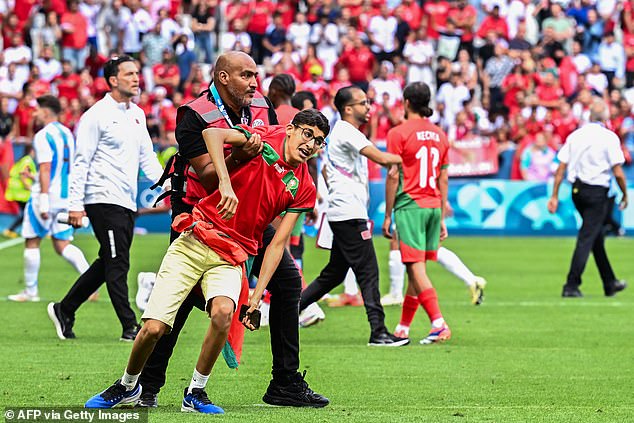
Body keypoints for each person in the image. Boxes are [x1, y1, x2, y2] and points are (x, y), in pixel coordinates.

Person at [84, 110, 329, 414]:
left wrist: (256, 297)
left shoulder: (303, 186)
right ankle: (128, 385)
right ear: (291, 129)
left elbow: (277, 244)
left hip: (232, 255)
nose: (311, 144)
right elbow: (211, 134)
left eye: (318, 142)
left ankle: (195, 392)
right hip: (196, 239)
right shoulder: (262, 137)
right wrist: (224, 184)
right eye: (307, 134)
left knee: (224, 312)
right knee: (153, 329)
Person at [135, 51, 328, 409]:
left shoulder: (261, 106)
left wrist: (267, 214)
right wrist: (240, 156)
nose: (255, 83)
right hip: (198, 210)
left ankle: (284, 382)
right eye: (246, 75)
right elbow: (208, 175)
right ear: (223, 77)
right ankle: (147, 385)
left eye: (255, 75)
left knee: (287, 281)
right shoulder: (193, 112)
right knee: (180, 300)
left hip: (245, 216)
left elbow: (271, 166)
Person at [47, 56, 164, 341]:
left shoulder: (137, 114)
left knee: (109, 260)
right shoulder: (95, 115)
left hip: (126, 200)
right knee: (118, 262)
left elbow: (147, 158)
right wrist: (75, 204)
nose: (137, 78)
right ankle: (129, 326)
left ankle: (65, 309)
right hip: (101, 197)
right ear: (113, 80)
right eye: (129, 74)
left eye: (137, 72)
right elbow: (81, 161)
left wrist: (168, 185)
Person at [299, 86, 408, 347]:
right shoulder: (346, 131)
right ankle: (378, 332)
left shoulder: (343, 132)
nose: (368, 107)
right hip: (349, 212)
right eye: (363, 103)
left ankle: (288, 310)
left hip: (344, 210)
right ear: (348, 109)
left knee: (334, 274)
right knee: (368, 271)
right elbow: (381, 158)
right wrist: (410, 157)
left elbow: (326, 171)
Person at [382, 82, 452, 345]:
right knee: (417, 268)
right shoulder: (440, 135)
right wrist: (443, 214)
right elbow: (443, 178)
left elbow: (393, 174)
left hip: (410, 204)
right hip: (434, 204)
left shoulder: (398, 133)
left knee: (414, 266)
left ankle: (438, 323)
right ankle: (403, 327)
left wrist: (388, 215)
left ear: (407, 103)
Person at [7, 96, 90, 302]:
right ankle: (90, 283)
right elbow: (62, 168)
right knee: (62, 244)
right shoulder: (68, 134)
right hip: (65, 196)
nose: (34, 114)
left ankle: (30, 292)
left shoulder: (43, 135)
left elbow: (45, 168)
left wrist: (43, 198)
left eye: (36, 110)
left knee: (32, 241)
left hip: (44, 196)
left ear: (45, 112)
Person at [548, 99, 628, 298]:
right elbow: (617, 171)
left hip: (577, 191)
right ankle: (571, 285)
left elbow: (561, 167)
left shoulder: (576, 136)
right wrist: (625, 193)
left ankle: (610, 283)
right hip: (597, 191)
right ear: (606, 117)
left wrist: (555, 195)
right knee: (587, 237)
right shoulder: (609, 137)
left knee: (594, 237)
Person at [3, 146, 35, 238]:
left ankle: (12, 230)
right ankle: (11, 230)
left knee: (26, 212)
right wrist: (29, 187)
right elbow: (23, 175)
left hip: (16, 190)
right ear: (32, 151)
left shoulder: (23, 160)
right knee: (27, 212)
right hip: (21, 192)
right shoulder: (27, 161)